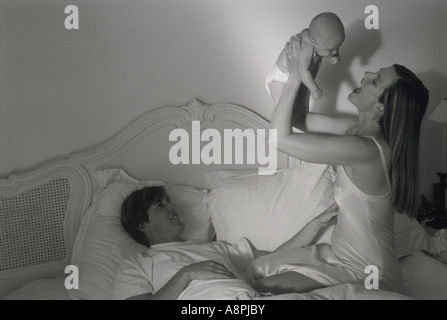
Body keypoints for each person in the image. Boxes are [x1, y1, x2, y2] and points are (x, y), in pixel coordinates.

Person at [247, 34, 429, 295]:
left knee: (258, 291)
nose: (365, 74)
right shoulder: (356, 132)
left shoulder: (367, 150)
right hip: (340, 256)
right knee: (257, 269)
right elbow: (298, 119)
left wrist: (297, 76)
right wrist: (309, 68)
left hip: (368, 273)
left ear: (380, 107)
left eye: (375, 80)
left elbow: (279, 139)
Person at [112, 185, 338, 300]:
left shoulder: (216, 248)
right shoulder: (137, 264)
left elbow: (277, 257)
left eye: (169, 202)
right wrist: (186, 275)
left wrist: (317, 223)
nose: (173, 207)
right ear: (143, 224)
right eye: (161, 205)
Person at [265, 12, 345, 102]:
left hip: (293, 77)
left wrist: (335, 55)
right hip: (280, 79)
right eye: (330, 50)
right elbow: (303, 71)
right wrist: (315, 90)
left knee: (295, 106)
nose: (335, 51)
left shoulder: (317, 38)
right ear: (313, 42)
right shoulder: (306, 48)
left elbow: (333, 46)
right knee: (282, 106)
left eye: (337, 48)